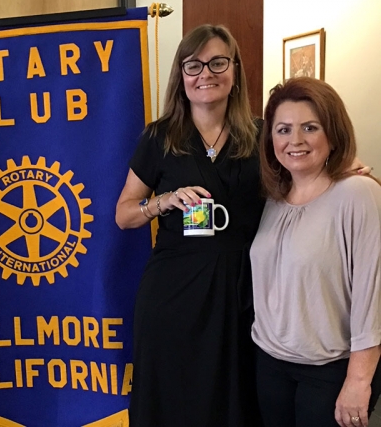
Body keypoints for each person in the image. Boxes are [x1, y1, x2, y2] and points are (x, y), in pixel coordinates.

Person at [115, 24, 264, 426]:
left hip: (240, 289)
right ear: (181, 76)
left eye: (218, 62)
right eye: (193, 65)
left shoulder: (262, 135)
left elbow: (304, 178)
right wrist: (161, 202)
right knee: (173, 397)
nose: (205, 73)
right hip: (173, 290)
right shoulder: (160, 137)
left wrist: (345, 172)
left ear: (235, 72)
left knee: (234, 397)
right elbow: (124, 213)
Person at [251, 77, 381, 427]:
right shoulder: (274, 197)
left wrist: (358, 382)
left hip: (329, 371)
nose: (295, 140)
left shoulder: (358, 194)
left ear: (333, 133)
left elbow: (373, 297)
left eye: (310, 127)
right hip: (269, 362)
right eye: (283, 129)